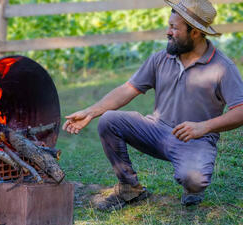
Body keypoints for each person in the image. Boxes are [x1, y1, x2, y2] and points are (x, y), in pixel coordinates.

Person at [63, 0, 243, 210]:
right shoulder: (161, 58)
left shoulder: (222, 67)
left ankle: (192, 188)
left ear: (194, 32)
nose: (168, 32)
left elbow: (240, 111)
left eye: (174, 28)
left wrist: (203, 127)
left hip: (196, 139)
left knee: (193, 179)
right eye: (169, 26)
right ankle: (130, 188)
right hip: (156, 131)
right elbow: (127, 89)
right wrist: (89, 112)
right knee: (109, 120)